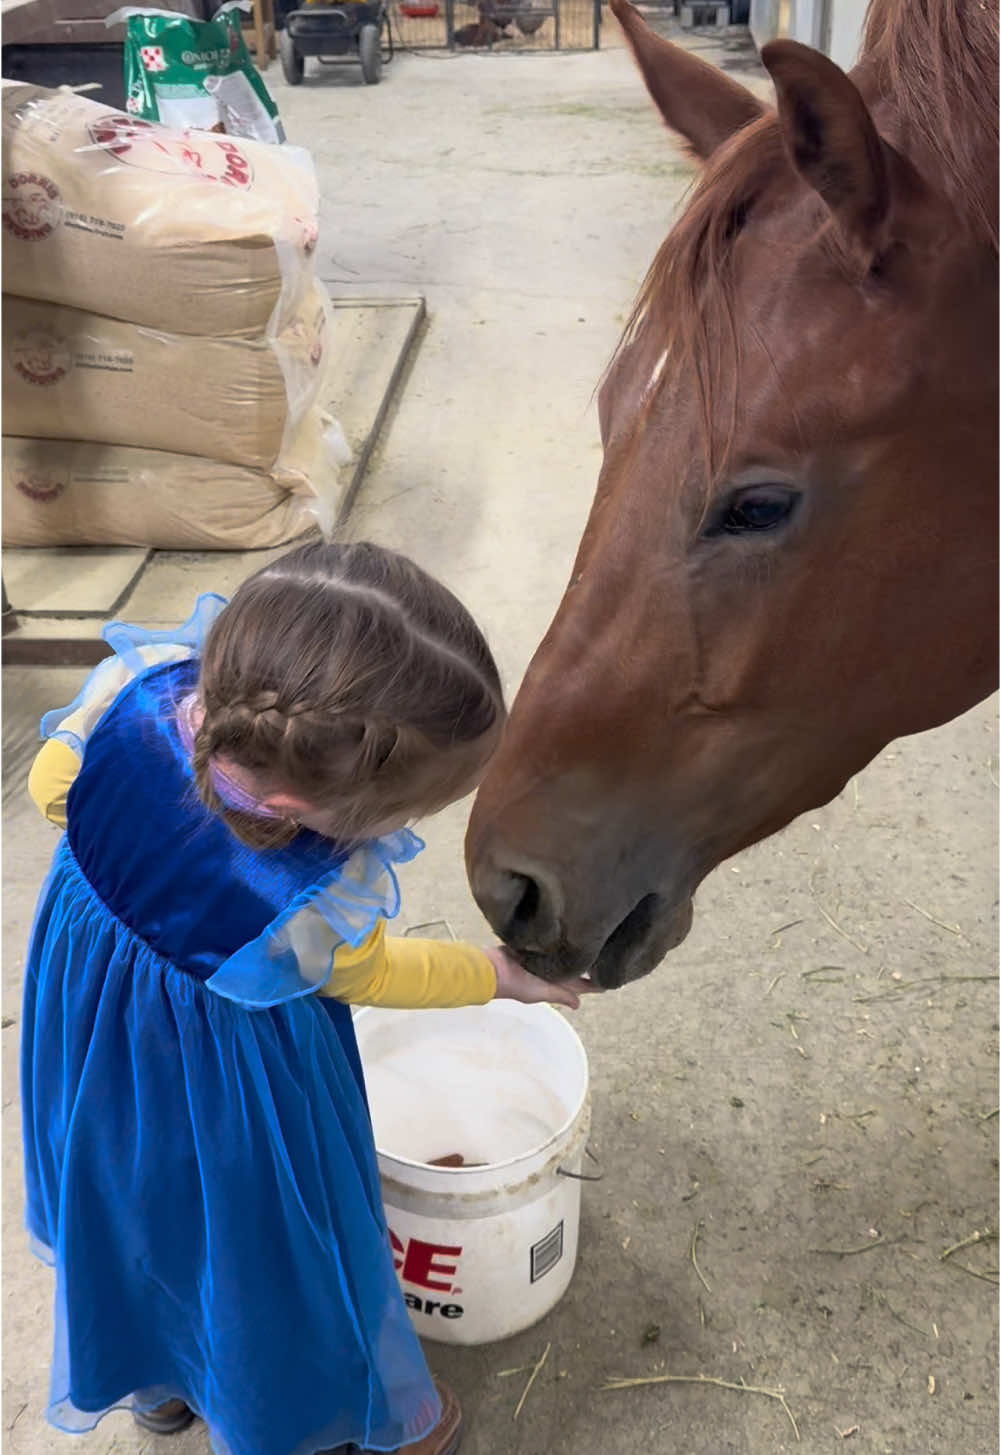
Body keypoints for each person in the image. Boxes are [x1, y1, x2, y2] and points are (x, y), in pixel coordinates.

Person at [21, 540, 592, 1455]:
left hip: (92, 1035)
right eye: (399, 817)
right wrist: (499, 975)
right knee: (271, 1252)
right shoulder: (296, 906)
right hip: (228, 1087)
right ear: (297, 800)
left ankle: (159, 1382)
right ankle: (347, 1414)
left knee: (133, 1211)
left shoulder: (136, 689)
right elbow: (373, 973)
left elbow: (56, 791)